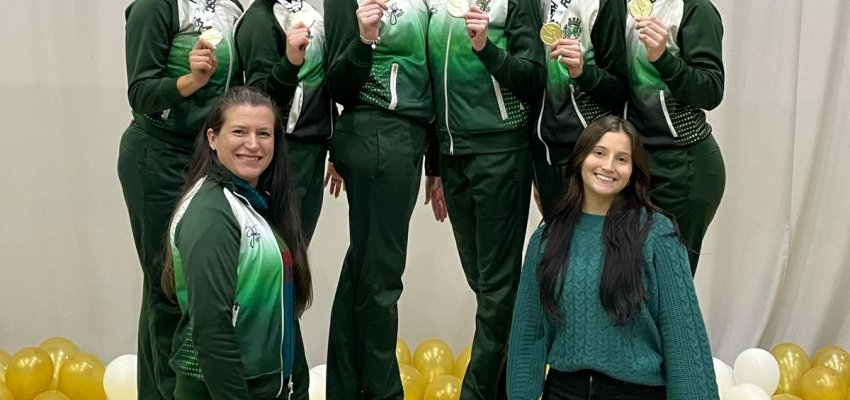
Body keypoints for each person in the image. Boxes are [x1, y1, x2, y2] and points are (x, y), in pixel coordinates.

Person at [507, 116, 719, 400]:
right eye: (599, 153)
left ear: (633, 170)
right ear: (581, 159)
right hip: (563, 390)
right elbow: (528, 332)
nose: (608, 166)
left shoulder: (657, 234)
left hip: (637, 394)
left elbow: (683, 336)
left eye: (621, 159)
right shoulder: (548, 237)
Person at [118, 1, 242, 398]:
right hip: (157, 158)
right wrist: (190, 80)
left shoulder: (233, 7)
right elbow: (140, 93)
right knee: (167, 290)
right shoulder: (156, 7)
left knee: (175, 289)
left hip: (206, 160)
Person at [424, 0, 546, 398]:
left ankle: (475, 393)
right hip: (453, 154)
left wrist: (486, 49)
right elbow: (432, 81)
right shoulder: (436, 4)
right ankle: (512, 386)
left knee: (496, 288)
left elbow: (534, 77)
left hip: (500, 151)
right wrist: (435, 164)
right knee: (483, 282)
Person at [161, 86, 312, 400]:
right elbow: (211, 330)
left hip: (266, 385)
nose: (253, 144)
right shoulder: (211, 213)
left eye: (264, 133)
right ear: (213, 138)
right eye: (239, 131)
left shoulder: (255, 202)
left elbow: (284, 312)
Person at [323, 0, 434, 397]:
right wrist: (365, 39)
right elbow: (336, 83)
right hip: (377, 132)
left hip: (409, 138)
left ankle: (347, 388)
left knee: (366, 268)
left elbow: (432, 78)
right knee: (380, 278)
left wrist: (436, 162)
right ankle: (382, 393)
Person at [234, 4, 335, 397]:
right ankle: (287, 385)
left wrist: (335, 145)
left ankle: (291, 383)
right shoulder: (260, 20)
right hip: (283, 158)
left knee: (291, 274)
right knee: (277, 277)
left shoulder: (310, 11)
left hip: (313, 152)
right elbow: (258, 106)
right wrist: (291, 61)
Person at [624, 0, 726, 273]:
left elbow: (711, 90)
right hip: (632, 164)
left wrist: (664, 59)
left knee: (669, 284)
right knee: (630, 282)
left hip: (682, 166)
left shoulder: (695, 8)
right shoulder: (619, 6)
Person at [532, 0, 629, 215]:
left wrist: (583, 73)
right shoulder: (533, 4)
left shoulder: (605, 4)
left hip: (587, 152)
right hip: (541, 152)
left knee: (592, 234)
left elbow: (621, 90)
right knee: (554, 234)